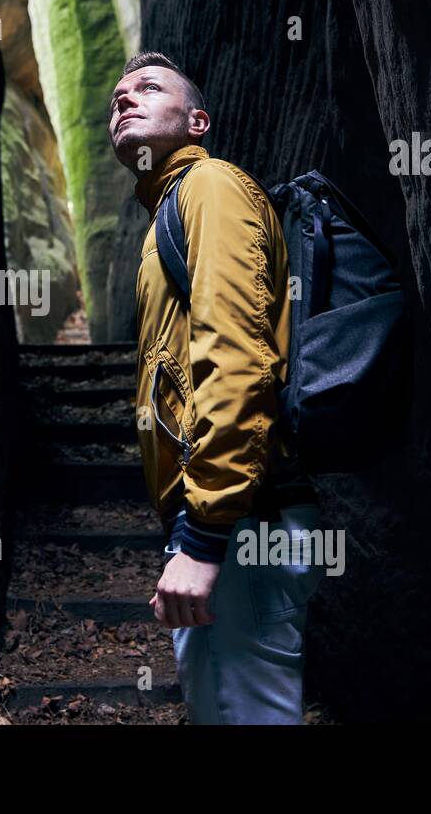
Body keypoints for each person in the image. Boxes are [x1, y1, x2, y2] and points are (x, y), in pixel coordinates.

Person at [108, 51, 324, 724]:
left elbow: (236, 356)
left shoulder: (212, 189)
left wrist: (204, 537)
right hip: (220, 514)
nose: (124, 99)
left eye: (147, 88)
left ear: (197, 120)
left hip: (241, 517)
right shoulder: (170, 209)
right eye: (116, 95)